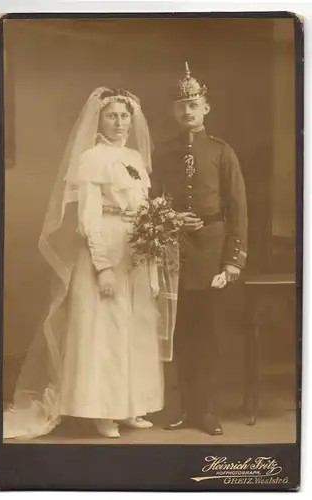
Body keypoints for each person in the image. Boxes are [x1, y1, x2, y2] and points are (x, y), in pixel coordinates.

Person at [4, 87, 167, 440]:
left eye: (125, 116)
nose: (120, 122)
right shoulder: (92, 157)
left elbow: (142, 209)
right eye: (112, 116)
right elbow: (89, 215)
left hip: (134, 249)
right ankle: (102, 411)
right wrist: (103, 265)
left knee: (132, 328)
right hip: (105, 244)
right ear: (99, 119)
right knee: (103, 330)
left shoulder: (135, 159)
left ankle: (129, 406)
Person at [150, 63, 248, 436]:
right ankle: (183, 410)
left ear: (206, 108)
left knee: (208, 335)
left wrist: (234, 260)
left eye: (194, 104)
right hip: (174, 253)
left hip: (211, 253)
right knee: (178, 335)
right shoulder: (163, 153)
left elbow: (238, 207)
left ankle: (206, 412)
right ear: (174, 112)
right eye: (181, 106)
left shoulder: (222, 153)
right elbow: (151, 201)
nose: (187, 111)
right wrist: (172, 220)